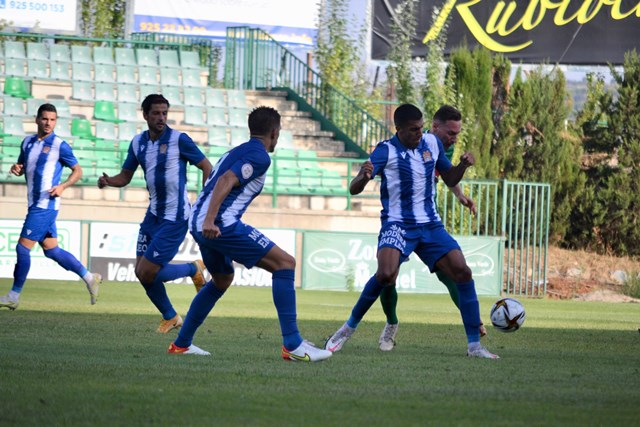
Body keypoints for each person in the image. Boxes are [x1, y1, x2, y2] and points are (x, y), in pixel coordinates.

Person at [324, 103, 498, 359]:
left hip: (430, 225)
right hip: (397, 224)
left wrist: (463, 166)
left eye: (421, 128)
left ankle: (474, 346)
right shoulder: (386, 150)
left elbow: (449, 178)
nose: (420, 133)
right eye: (414, 130)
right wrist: (363, 176)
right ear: (400, 129)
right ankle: (346, 330)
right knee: (385, 274)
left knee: (462, 271)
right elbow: (353, 188)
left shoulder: (432, 143)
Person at [167, 106, 332, 362]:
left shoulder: (235, 151)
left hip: (198, 222)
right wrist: (211, 219)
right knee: (285, 263)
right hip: (219, 224)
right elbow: (224, 181)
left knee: (221, 280)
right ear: (275, 133)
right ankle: (293, 344)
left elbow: (213, 178)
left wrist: (204, 217)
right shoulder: (260, 157)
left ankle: (182, 344)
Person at [97, 94, 212, 333]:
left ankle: (193, 269)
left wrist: (204, 201)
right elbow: (125, 176)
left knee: (148, 271)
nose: (161, 118)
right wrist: (109, 181)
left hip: (175, 217)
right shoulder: (138, 142)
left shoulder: (179, 140)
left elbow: (206, 166)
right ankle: (171, 316)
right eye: (156, 113)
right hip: (152, 216)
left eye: (164, 113)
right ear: (145, 115)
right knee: (142, 273)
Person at [377, 105, 487, 352]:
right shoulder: (417, 139)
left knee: (451, 274)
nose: (454, 139)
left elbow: (446, 174)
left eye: (457, 134)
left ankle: (472, 320)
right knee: (388, 277)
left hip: (427, 222)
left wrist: (459, 195)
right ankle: (391, 323)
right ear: (434, 128)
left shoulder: (443, 146)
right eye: (450, 133)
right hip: (401, 220)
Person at [0, 103, 102, 310]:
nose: (48, 123)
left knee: (22, 248)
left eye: (53, 119)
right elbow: (22, 166)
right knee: (51, 250)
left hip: (46, 204)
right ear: (37, 119)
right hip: (34, 203)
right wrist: (17, 168)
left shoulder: (59, 145)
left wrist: (63, 186)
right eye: (45, 119)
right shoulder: (27, 142)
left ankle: (14, 295)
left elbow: (78, 170)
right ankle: (90, 277)